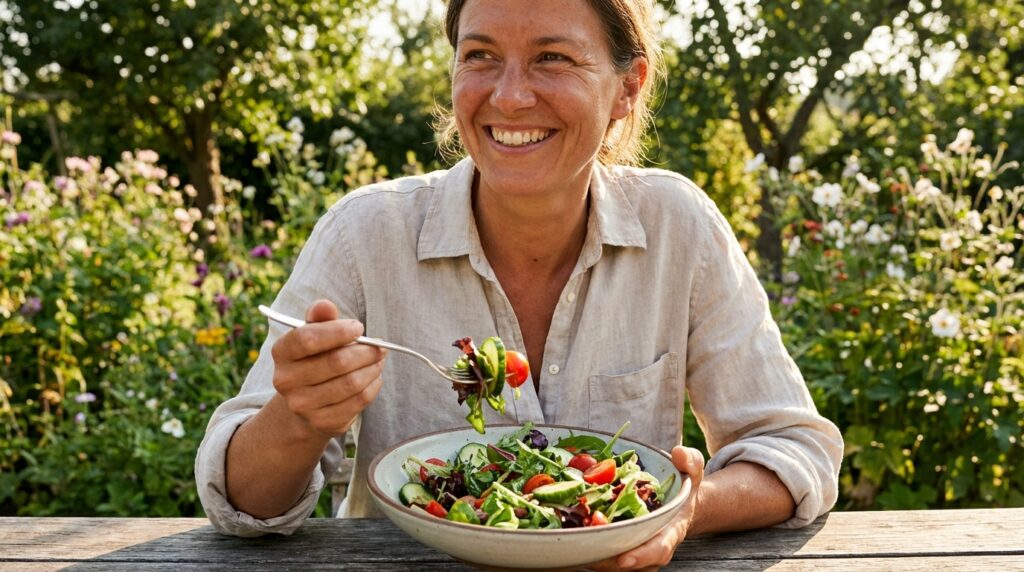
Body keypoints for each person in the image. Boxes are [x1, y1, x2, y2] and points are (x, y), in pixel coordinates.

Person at [196, 0, 844, 569]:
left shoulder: (679, 229)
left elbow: (794, 453)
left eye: (552, 58)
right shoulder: (365, 236)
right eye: (480, 55)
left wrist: (680, 508)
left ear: (627, 86)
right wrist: (299, 417)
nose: (508, 96)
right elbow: (243, 503)